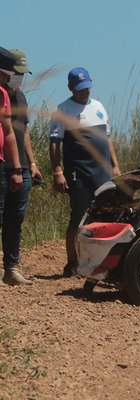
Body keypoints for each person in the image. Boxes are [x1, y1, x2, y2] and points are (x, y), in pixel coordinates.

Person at [50, 67, 121, 277]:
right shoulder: (62, 110)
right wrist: (57, 171)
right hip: (78, 173)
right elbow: (54, 143)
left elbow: (107, 139)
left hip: (103, 173)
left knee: (106, 214)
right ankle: (72, 263)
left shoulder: (99, 106)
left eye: (87, 87)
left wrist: (115, 165)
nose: (85, 92)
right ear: (70, 88)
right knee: (79, 217)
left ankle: (103, 261)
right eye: (80, 89)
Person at [0, 49, 42, 285]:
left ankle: (12, 268)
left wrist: (32, 163)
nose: (19, 79)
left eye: (22, 75)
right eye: (16, 74)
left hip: (22, 167)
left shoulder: (21, 97)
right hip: (4, 165)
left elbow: (23, 130)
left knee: (15, 220)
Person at [0, 47, 25, 285]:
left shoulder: (4, 96)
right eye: (4, 74)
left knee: (7, 218)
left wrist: (17, 168)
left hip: (2, 164)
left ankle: (10, 268)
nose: (8, 79)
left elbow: (10, 133)